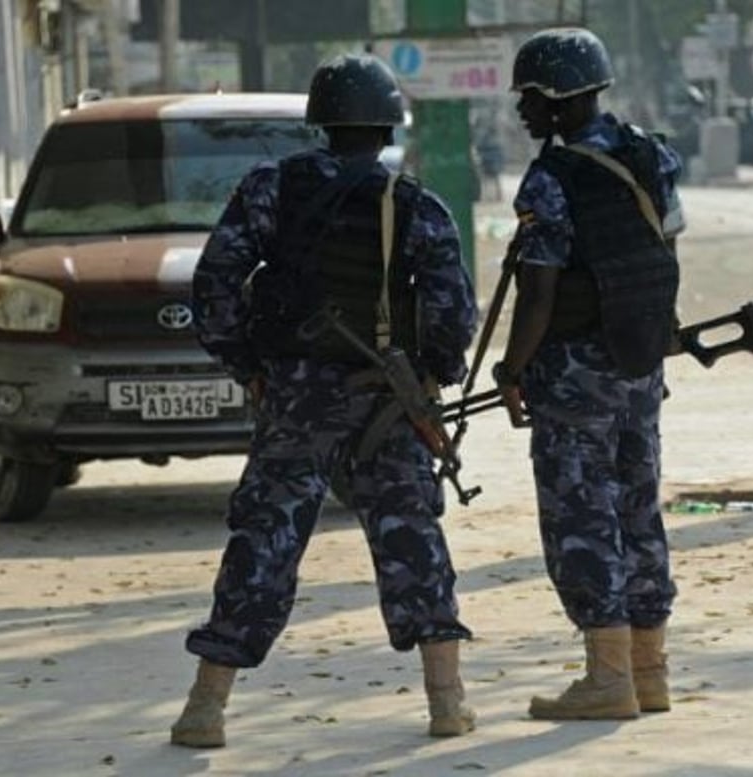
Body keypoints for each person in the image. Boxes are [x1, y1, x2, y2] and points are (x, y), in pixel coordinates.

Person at [170, 53, 478, 747]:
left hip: (295, 396)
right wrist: (430, 379)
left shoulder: (269, 190)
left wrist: (248, 364)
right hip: (386, 402)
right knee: (412, 538)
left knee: (264, 539)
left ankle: (205, 708)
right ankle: (447, 701)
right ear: (386, 124)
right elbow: (452, 312)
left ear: (321, 123)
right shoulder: (414, 204)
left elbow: (214, 285)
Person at [493, 27, 685, 721]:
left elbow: (537, 292)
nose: (521, 112)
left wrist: (511, 370)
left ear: (555, 97)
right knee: (639, 509)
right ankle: (649, 672)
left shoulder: (551, 178)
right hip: (637, 366)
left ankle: (607, 681)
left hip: (574, 377)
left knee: (582, 518)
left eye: (528, 100)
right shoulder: (650, 154)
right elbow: (662, 255)